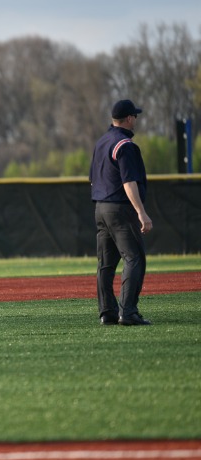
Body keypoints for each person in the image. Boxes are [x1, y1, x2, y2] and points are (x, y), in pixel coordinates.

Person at [89, 99, 153, 326]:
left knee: (106, 264)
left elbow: (93, 179)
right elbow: (129, 182)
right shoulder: (125, 145)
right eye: (135, 116)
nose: (136, 119)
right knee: (134, 258)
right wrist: (141, 212)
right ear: (128, 118)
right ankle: (128, 312)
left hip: (100, 207)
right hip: (120, 209)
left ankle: (107, 312)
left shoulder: (102, 142)